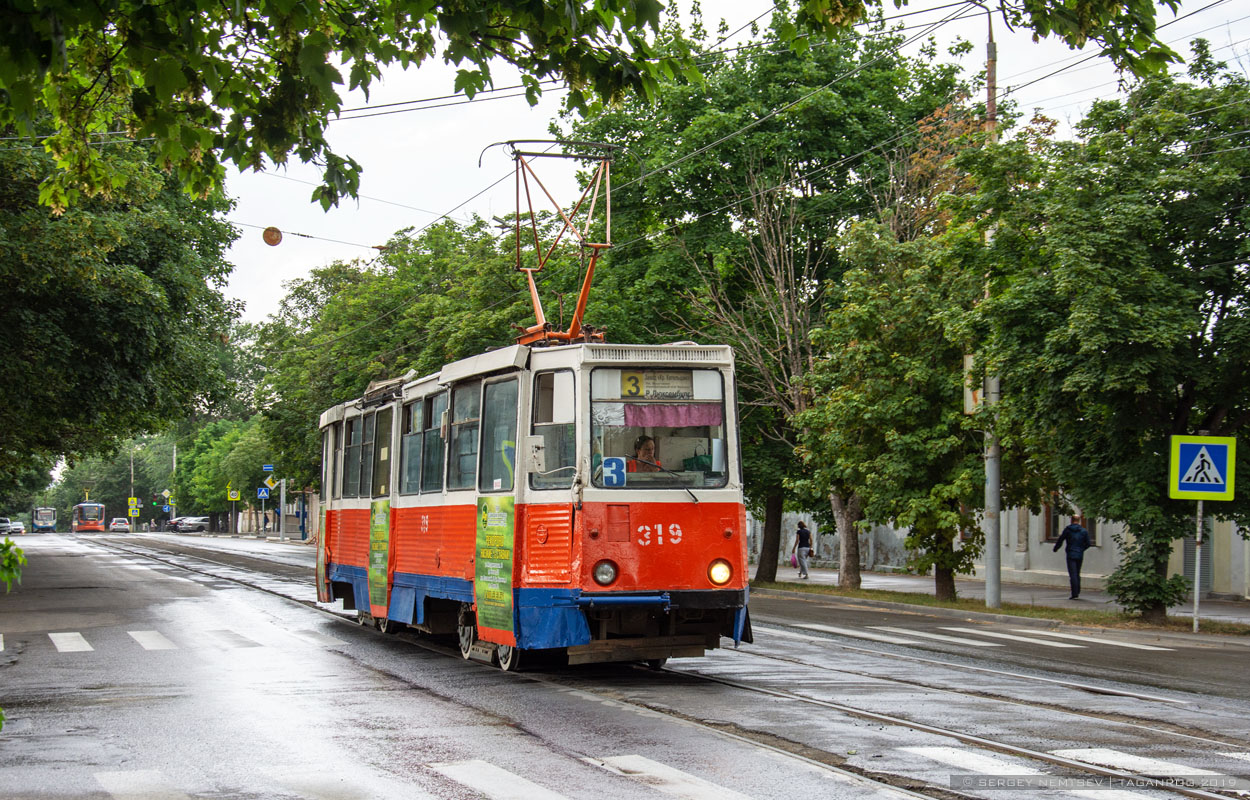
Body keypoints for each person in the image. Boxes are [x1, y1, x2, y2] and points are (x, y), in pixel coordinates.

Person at [1054, 519, 1091, 599]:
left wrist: (1056, 548)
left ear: (1071, 520)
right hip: (1079, 554)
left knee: (1072, 573)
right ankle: (1077, 590)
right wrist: (1081, 549)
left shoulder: (1068, 530)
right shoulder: (1084, 531)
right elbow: (1088, 543)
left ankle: (1074, 593)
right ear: (1079, 521)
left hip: (1070, 553)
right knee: (1077, 572)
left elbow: (1060, 540)